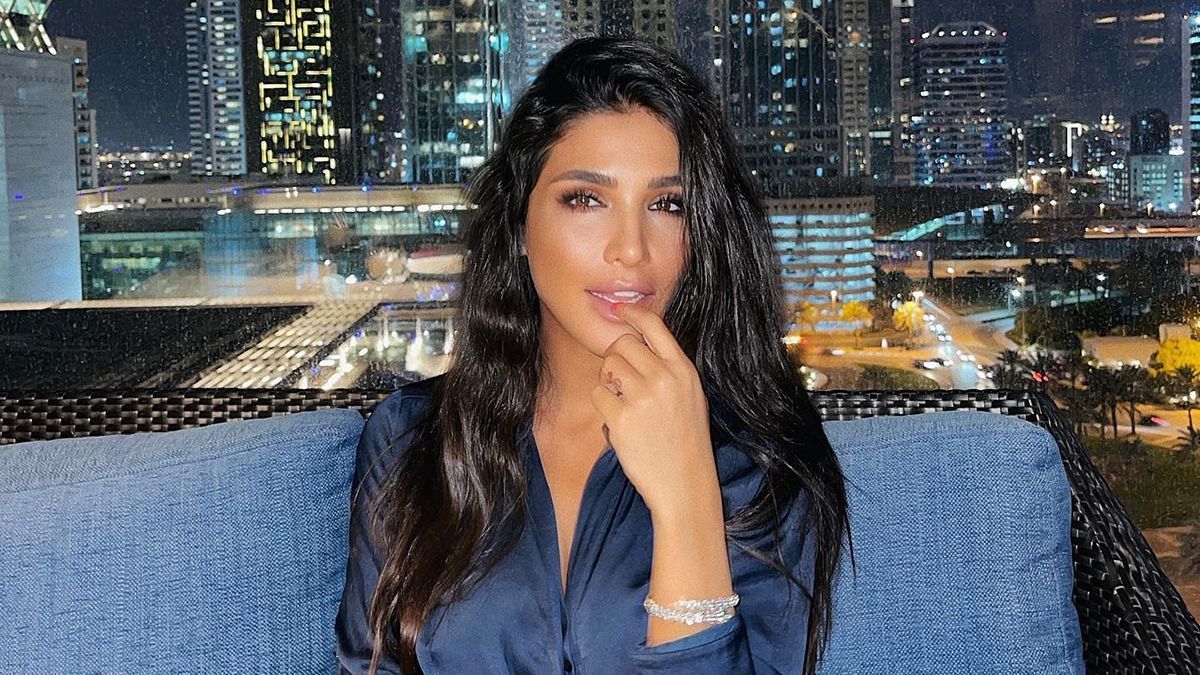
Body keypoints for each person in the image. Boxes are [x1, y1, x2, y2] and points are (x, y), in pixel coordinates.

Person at [335, 35, 850, 675]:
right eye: (585, 199)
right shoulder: (411, 437)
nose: (630, 249)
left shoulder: (763, 455)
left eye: (667, 205)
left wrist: (686, 496)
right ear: (520, 225)